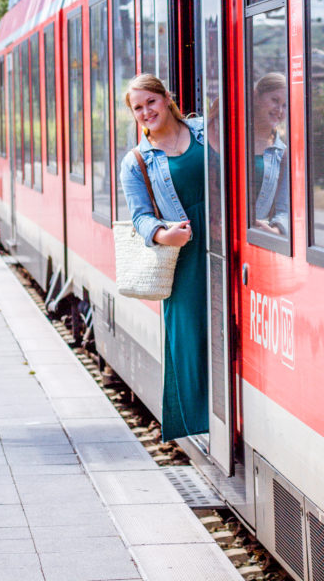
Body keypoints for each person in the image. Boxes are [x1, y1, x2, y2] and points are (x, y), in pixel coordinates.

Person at [119, 73, 208, 441]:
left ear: (166, 96)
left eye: (150, 102)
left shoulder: (205, 131)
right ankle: (199, 421)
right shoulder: (137, 160)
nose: (145, 112)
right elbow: (140, 215)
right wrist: (162, 234)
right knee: (188, 335)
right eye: (137, 108)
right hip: (183, 252)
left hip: (228, 242)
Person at [250, 72, 290, 236]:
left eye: (285, 105)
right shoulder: (228, 140)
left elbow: (285, 209)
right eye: (275, 100)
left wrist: (274, 231)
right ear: (256, 97)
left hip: (257, 242)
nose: (279, 110)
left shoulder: (282, 154)